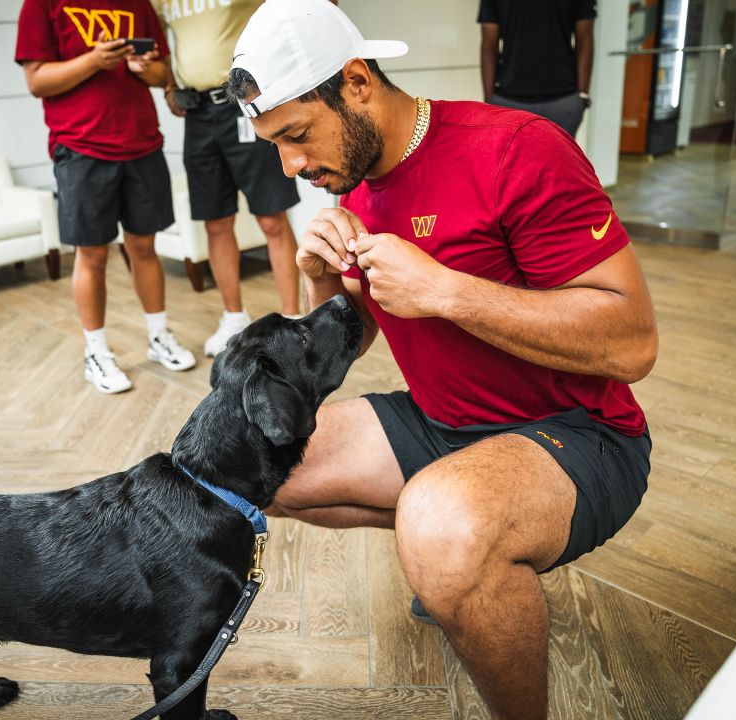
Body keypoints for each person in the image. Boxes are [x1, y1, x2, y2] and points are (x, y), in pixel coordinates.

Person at [225, 1, 657, 718]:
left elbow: (632, 341)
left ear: (357, 84)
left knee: (441, 529)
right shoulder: (349, 173)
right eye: (275, 144)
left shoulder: (517, 147)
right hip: (442, 423)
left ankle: (458, 552)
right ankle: (460, 558)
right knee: (253, 458)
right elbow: (352, 338)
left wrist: (448, 291)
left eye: (297, 135)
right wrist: (324, 279)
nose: (293, 166)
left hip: (580, 435)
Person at [16, 0, 197, 395]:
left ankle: (158, 335)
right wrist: (95, 60)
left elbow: (164, 72)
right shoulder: (41, 4)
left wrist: (143, 68)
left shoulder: (138, 3)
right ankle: (96, 352)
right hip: (80, 149)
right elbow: (37, 81)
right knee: (92, 254)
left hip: (142, 143)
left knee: (144, 248)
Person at [154, 0, 312, 356]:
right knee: (216, 222)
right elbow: (161, 45)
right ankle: (233, 317)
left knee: (272, 218)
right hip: (197, 113)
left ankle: (290, 321)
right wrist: (167, 85)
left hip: (246, 104)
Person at [479, 0, 596, 137]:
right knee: (513, 158)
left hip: (563, 100)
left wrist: (582, 96)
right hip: (508, 100)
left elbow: (585, 38)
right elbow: (489, 43)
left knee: (556, 158)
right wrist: (490, 102)